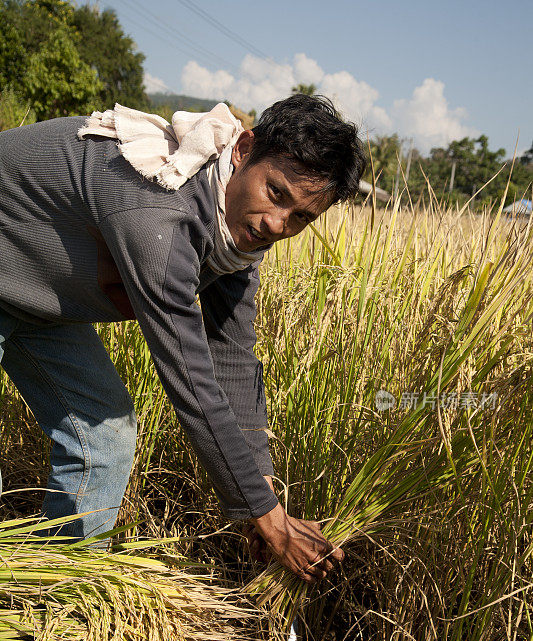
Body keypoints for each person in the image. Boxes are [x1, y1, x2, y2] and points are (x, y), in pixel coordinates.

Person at [0, 93, 366, 583]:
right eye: (276, 193)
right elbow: (192, 381)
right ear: (242, 150)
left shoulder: (235, 235)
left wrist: (264, 494)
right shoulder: (160, 205)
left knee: (102, 439)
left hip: (27, 292)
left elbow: (233, 358)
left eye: (301, 217)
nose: (278, 225)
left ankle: (51, 602)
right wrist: (269, 520)